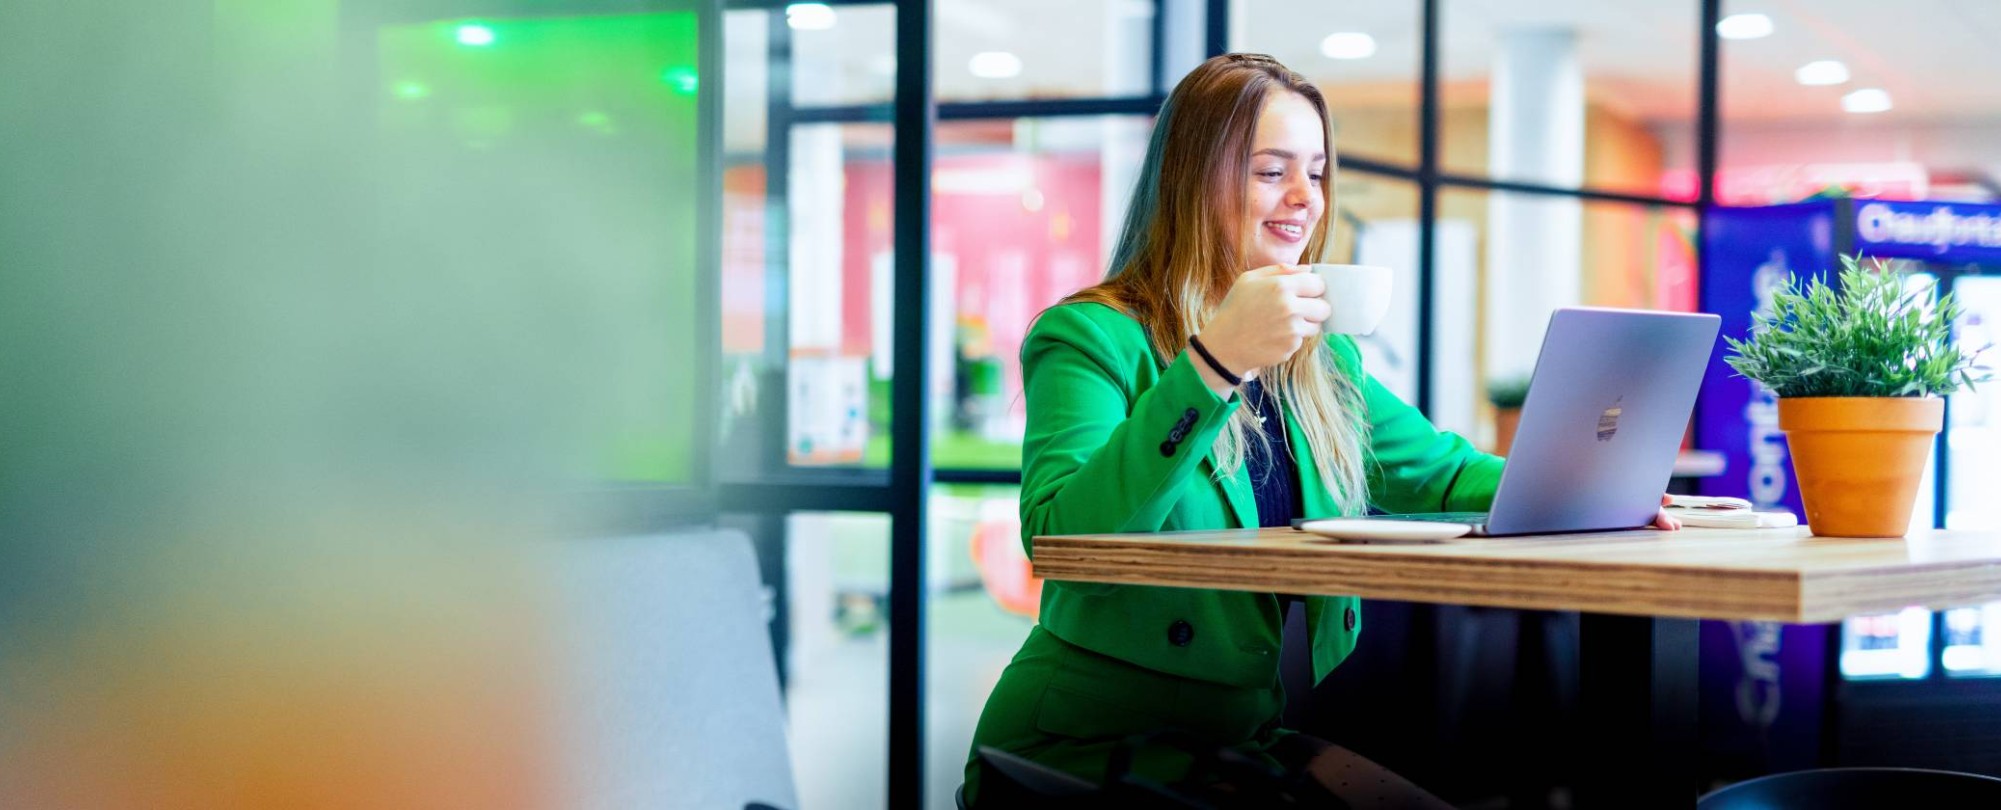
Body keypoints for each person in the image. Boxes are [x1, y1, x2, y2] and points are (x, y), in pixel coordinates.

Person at [962, 53, 1681, 807]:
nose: (1305, 199)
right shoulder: (1090, 337)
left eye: (1317, 172)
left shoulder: (1318, 359)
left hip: (1237, 736)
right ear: (1192, 180)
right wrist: (1215, 361)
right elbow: (1062, 540)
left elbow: (1436, 471)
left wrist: (1587, 487)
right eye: (1271, 171)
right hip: (1085, 743)